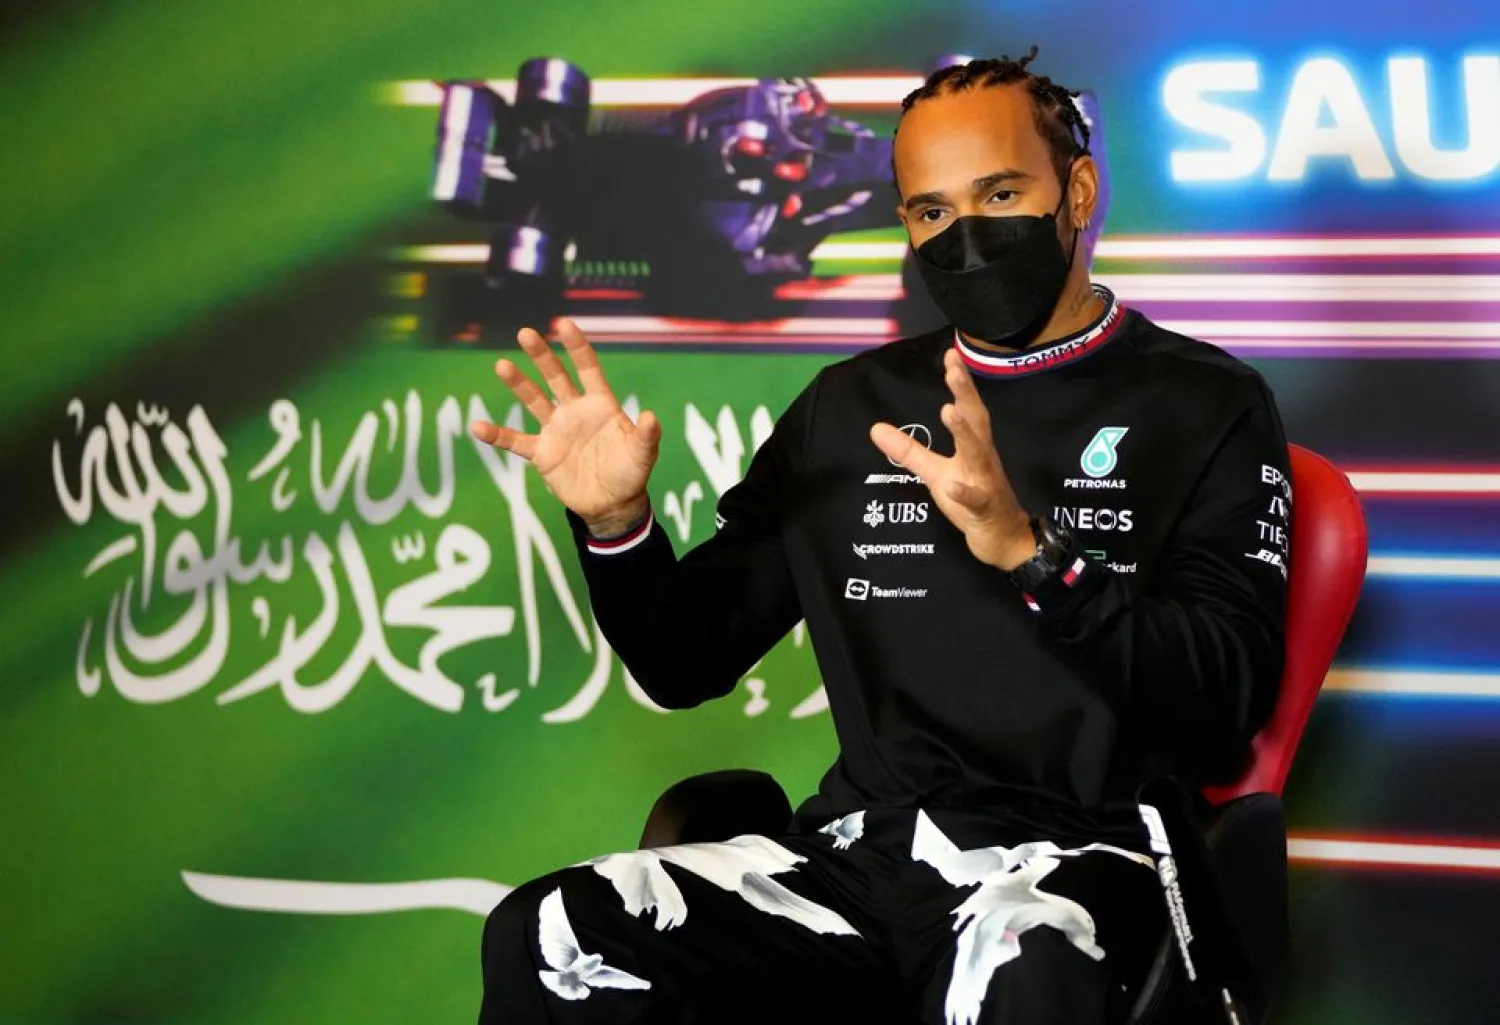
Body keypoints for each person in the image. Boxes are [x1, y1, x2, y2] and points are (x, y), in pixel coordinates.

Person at [469, 48, 1290, 1025]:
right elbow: (685, 656)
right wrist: (615, 523)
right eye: (931, 211)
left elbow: (1223, 696)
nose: (966, 235)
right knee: (554, 929)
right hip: (859, 864)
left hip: (1083, 862)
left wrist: (1033, 552)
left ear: (1075, 190)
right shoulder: (850, 408)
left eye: (999, 192)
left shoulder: (1206, 404)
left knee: (1016, 976)